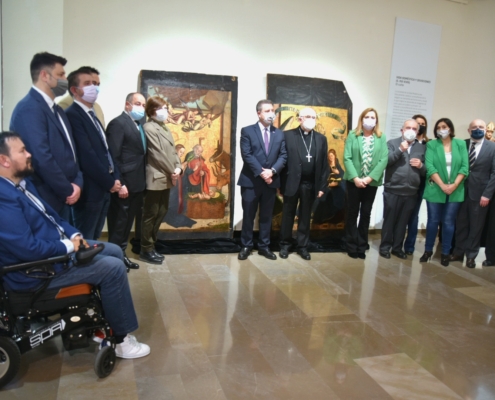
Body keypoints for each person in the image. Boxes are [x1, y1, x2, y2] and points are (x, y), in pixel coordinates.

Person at [0, 131, 149, 359]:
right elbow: (27, 249)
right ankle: (121, 340)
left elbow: (54, 218)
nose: (29, 154)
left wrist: (76, 235)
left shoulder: (21, 184)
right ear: (4, 160)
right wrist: (70, 246)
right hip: (35, 272)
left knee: (114, 250)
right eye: (22, 150)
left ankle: (103, 328)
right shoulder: (3, 197)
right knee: (113, 268)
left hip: (54, 249)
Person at [9, 52, 82, 221]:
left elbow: (71, 151)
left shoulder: (58, 111)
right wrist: (67, 189)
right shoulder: (29, 108)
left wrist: (78, 182)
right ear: (44, 75)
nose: (65, 79)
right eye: (60, 74)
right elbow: (41, 157)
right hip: (45, 196)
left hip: (65, 194)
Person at [65, 67, 121, 240]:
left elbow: (106, 149)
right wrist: (109, 182)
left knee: (95, 237)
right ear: (74, 89)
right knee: (85, 240)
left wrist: (116, 177)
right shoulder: (73, 114)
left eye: (96, 84)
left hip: (104, 187)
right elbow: (86, 156)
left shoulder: (93, 113)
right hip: (90, 189)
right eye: (88, 83)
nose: (94, 88)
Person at [237, 99, 287, 260]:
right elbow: (247, 155)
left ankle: (264, 247)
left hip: (271, 182)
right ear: (259, 113)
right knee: (249, 215)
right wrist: (261, 172)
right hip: (251, 181)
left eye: (272, 110)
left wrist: (272, 171)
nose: (271, 113)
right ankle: (246, 245)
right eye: (267, 111)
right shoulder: (247, 131)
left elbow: (283, 155)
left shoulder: (279, 133)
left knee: (266, 216)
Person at [279, 107, 329, 260]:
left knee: (305, 216)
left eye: (314, 117)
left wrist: (322, 186)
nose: (311, 120)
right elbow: (282, 160)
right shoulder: (287, 136)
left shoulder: (321, 138)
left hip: (310, 184)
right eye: (308, 116)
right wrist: (280, 185)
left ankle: (302, 246)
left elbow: (324, 165)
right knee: (288, 215)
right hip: (291, 182)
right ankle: (285, 245)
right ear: (300, 119)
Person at [106, 93, 148, 271]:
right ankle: (113, 260)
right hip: (124, 184)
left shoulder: (138, 125)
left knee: (127, 223)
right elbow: (112, 156)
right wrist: (120, 182)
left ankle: (121, 255)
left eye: (144, 105)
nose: (141, 108)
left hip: (138, 183)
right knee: (118, 223)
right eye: (138, 103)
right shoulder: (118, 124)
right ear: (128, 105)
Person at [420, 118, 469, 266]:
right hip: (436, 188)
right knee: (433, 221)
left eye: (445, 126)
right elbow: (429, 166)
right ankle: (428, 250)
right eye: (439, 127)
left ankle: (445, 253)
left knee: (448, 222)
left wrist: (454, 185)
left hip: (456, 189)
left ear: (451, 129)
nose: (442, 129)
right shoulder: (432, 144)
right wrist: (442, 185)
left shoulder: (460, 144)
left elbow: (465, 167)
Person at [140, 96, 182, 265]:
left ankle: (152, 244)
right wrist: (173, 171)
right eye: (162, 108)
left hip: (167, 176)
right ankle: (146, 248)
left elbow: (173, 152)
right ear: (152, 110)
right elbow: (157, 154)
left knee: (162, 210)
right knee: (151, 213)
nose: (166, 111)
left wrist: (178, 167)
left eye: (166, 107)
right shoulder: (149, 127)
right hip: (157, 177)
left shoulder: (164, 127)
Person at [343, 108, 388, 259]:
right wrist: (356, 178)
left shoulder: (381, 137)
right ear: (361, 119)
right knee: (352, 213)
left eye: (372, 117)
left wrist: (369, 178)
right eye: (367, 117)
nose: (369, 119)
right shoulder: (352, 135)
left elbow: (383, 160)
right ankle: (351, 245)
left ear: (376, 120)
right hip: (353, 181)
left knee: (366, 213)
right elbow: (347, 157)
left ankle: (362, 246)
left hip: (371, 183)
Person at [449, 120, 495, 268]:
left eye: (481, 127)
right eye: (474, 127)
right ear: (469, 130)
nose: (477, 129)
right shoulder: (461, 144)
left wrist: (487, 194)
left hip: (481, 194)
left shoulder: (493, 147)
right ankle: (458, 252)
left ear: (485, 129)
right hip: (460, 191)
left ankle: (471, 256)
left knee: (476, 226)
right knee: (460, 223)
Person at [379, 119, 425, 259]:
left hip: (411, 192)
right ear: (402, 130)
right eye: (408, 128)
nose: (411, 130)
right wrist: (400, 150)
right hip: (393, 189)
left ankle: (397, 248)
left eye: (414, 128)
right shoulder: (392, 143)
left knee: (402, 222)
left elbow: (427, 171)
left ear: (417, 132)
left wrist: (421, 166)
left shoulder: (421, 148)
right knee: (389, 220)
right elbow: (386, 161)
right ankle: (385, 247)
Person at [403, 114, 429, 255]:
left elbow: (429, 166)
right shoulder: (405, 142)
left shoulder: (427, 145)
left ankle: (409, 246)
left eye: (422, 123)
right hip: (404, 184)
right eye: (417, 123)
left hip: (420, 184)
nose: (420, 125)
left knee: (414, 215)